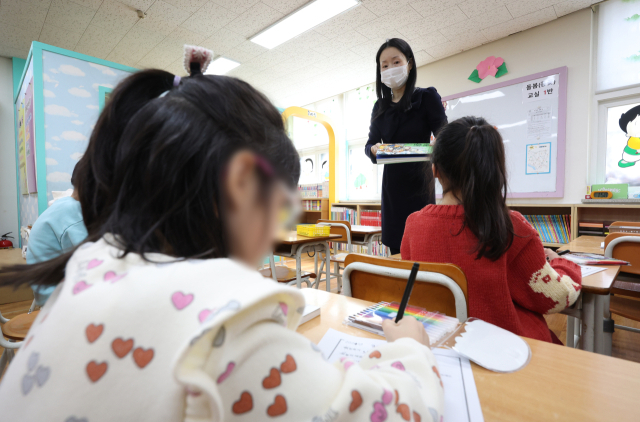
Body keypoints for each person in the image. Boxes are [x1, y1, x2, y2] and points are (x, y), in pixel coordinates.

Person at [0, 47, 444, 422]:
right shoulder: (235, 335)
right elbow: (407, 410)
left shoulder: (88, 270)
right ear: (244, 184)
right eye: (282, 204)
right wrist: (409, 348)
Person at [401, 116, 582, 344]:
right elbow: (556, 298)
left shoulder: (413, 224)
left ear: (435, 170)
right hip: (511, 354)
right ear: (494, 169)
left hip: (442, 346)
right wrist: (563, 264)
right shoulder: (511, 226)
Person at [365, 38, 447, 255]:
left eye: (396, 62)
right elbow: (370, 143)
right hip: (392, 190)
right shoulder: (379, 107)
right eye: (384, 66)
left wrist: (439, 144)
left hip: (420, 186)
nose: (390, 69)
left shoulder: (427, 97)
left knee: (422, 250)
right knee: (397, 253)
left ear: (409, 64)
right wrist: (373, 149)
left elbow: (444, 134)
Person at [26, 164, 88, 306]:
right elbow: (92, 256)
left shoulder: (64, 204)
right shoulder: (74, 213)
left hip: (46, 292)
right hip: (57, 300)